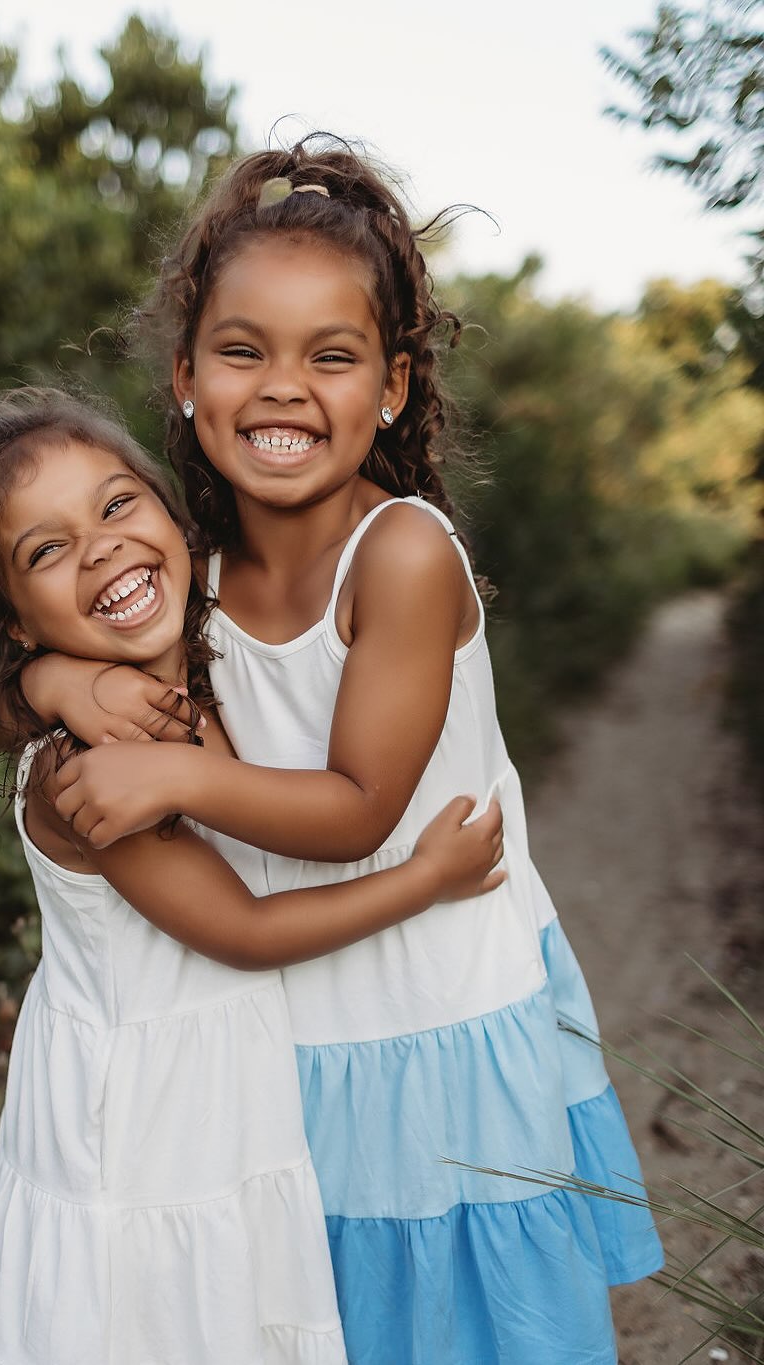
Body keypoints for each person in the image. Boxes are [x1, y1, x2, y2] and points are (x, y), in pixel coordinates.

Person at [43, 141, 666, 1364]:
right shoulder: (188, 578)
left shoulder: (402, 556)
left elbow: (361, 807)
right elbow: (45, 627)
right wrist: (55, 675)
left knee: (476, 1326)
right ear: (184, 377)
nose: (283, 388)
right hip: (292, 1036)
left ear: (390, 387)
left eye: (329, 357)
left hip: (443, 1015)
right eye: (242, 352)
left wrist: (176, 772)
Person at [0, 386, 506, 1365]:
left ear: (171, 517)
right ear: (14, 623)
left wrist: (57, 675)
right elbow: (245, 932)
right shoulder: (83, 772)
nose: (101, 548)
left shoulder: (198, 660)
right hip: (141, 1128)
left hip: (224, 1104)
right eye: (47, 550)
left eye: (117, 504)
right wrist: (425, 877)